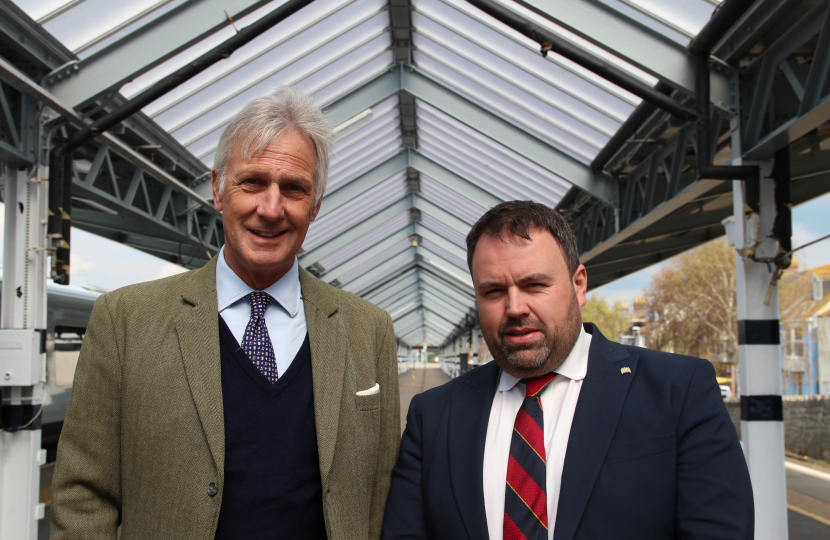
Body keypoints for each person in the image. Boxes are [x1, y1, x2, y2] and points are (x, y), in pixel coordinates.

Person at [51, 87, 400, 540]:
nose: (271, 209)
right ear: (218, 189)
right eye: (252, 182)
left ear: (315, 207)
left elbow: (384, 489)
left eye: (293, 188)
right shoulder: (126, 321)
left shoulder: (368, 329)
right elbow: (83, 496)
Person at [382, 200, 753, 540]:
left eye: (534, 285)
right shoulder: (432, 417)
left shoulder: (678, 393)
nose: (515, 307)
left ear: (578, 285)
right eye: (493, 291)